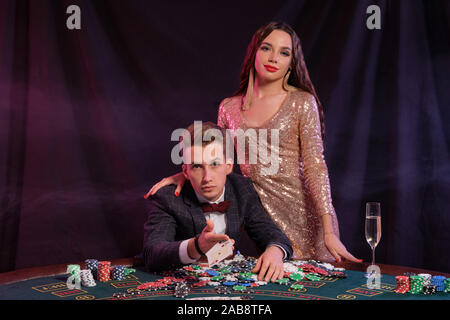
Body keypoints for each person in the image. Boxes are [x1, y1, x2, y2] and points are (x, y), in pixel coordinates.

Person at [145, 21, 361, 263]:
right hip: (262, 216)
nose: (274, 58)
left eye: (284, 52)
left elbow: (315, 166)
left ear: (291, 63)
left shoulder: (302, 102)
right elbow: (216, 157)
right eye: (267, 48)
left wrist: (328, 230)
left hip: (306, 216)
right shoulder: (228, 107)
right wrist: (184, 174)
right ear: (254, 52)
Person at [143, 122, 293, 282]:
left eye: (214, 164)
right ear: (185, 171)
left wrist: (275, 250)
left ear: (228, 166)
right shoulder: (168, 197)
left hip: (229, 283)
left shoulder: (242, 189)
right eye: (197, 166)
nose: (207, 177)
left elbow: (270, 232)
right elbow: (152, 253)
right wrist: (196, 246)